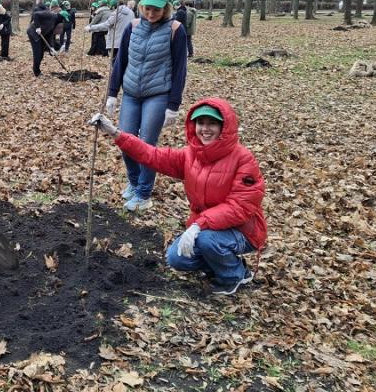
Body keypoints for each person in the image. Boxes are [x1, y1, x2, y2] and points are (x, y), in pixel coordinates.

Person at [88, 98, 267, 295]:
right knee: (177, 259)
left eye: (212, 124)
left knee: (208, 241)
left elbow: (240, 207)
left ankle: (235, 274)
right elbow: (152, 155)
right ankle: (220, 262)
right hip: (206, 227)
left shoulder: (243, 159)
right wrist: (115, 132)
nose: (205, 129)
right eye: (201, 123)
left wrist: (199, 225)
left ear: (224, 127)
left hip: (242, 231)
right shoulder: (191, 155)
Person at [106, 0, 188, 211]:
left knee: (147, 144)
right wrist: (113, 93)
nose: (151, 13)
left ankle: (144, 194)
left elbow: (180, 68)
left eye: (157, 9)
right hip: (131, 93)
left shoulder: (175, 30)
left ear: (166, 8)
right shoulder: (132, 27)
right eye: (148, 8)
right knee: (125, 140)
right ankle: (134, 182)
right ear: (141, 6)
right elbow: (121, 60)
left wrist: (173, 104)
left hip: (157, 95)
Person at [27, 2, 62, 76]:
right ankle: (36, 72)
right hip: (33, 33)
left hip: (41, 35)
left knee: (41, 54)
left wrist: (52, 48)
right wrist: (37, 27)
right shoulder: (51, 15)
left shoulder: (54, 24)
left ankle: (37, 69)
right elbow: (35, 14)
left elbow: (50, 36)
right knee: (38, 53)